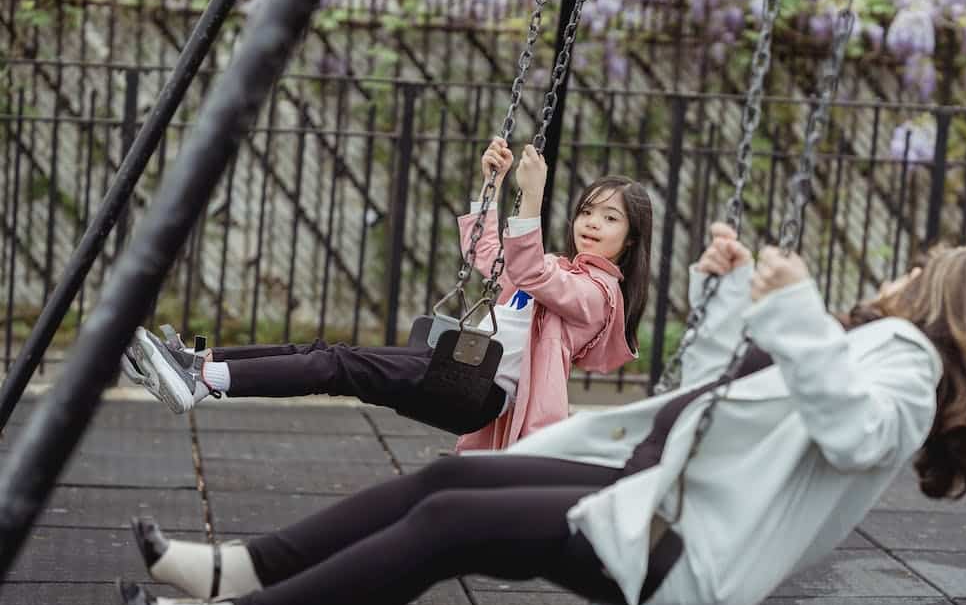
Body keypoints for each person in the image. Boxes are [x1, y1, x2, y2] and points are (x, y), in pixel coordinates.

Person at [117, 224, 966, 605]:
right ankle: (234, 568)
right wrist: (728, 293)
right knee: (442, 487)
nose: (894, 281)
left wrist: (804, 312)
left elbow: (856, 435)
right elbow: (708, 395)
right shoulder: (862, 351)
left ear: (935, 301)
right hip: (645, 494)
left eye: (914, 273)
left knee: (450, 527)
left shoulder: (902, 362)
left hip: (676, 544)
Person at [121, 138, 653, 449]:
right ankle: (198, 362)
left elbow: (532, 272)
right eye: (587, 211)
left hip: (477, 389)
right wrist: (490, 186)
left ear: (629, 242)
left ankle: (203, 380)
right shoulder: (557, 266)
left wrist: (532, 195)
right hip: (455, 368)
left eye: (610, 218)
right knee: (322, 353)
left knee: (338, 366)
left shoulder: (599, 299)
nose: (592, 223)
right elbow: (496, 260)